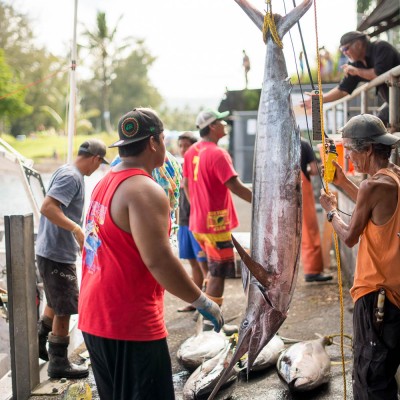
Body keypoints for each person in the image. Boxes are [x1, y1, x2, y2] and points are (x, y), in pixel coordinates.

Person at [78, 108, 223, 400]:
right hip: (129, 322)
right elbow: (159, 260)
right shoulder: (144, 189)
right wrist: (202, 300)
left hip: (94, 316)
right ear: (154, 143)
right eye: (163, 140)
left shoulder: (105, 182)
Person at [319, 114, 400, 399]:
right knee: (383, 374)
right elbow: (371, 206)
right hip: (394, 298)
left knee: (370, 381)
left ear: (367, 149)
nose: (349, 157)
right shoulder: (393, 176)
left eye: (351, 150)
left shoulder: (372, 185)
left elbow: (351, 236)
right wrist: (341, 181)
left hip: (377, 297)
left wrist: (330, 212)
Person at [36, 139, 108, 379]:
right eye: (99, 164)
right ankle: (59, 362)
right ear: (96, 159)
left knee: (55, 300)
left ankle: (40, 338)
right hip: (56, 252)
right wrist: (76, 229)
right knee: (65, 306)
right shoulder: (73, 177)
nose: (97, 169)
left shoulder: (67, 170)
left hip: (51, 249)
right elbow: (47, 207)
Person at [183, 109, 252, 333]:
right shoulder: (217, 153)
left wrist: (197, 208)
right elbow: (235, 186)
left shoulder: (191, 151)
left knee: (211, 271)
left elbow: (185, 184)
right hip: (216, 225)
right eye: (221, 121)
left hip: (198, 222)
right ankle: (211, 326)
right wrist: (260, 202)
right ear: (212, 127)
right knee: (218, 272)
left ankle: (209, 322)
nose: (224, 124)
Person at [303, 31, 400, 125]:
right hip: (393, 101)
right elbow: (343, 90)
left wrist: (356, 71)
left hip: (396, 100)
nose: (345, 53)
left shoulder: (381, 47)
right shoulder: (355, 64)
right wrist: (320, 99)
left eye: (346, 49)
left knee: (379, 128)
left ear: (358, 44)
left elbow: (379, 73)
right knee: (375, 127)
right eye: (342, 51)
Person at [177, 132, 208, 312]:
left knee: (204, 265)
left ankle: (208, 303)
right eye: (181, 146)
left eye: (186, 146)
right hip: (183, 221)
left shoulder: (197, 167)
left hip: (197, 221)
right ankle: (196, 302)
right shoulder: (180, 167)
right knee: (192, 262)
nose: (183, 150)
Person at [300, 138, 332, 282]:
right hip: (300, 186)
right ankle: (312, 269)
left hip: (278, 188)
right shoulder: (303, 144)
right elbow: (314, 170)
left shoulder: (274, 140)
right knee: (309, 228)